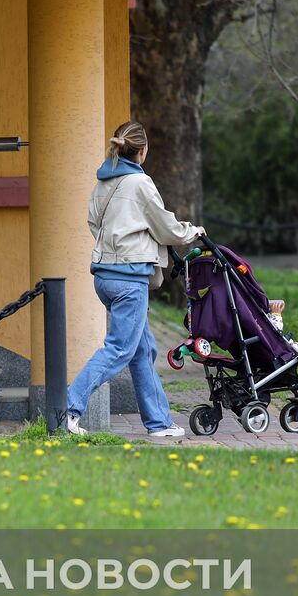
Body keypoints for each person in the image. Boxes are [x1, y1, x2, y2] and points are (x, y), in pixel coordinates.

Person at [65, 120, 203, 438]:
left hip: (105, 277)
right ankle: (68, 408)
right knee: (119, 349)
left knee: (142, 350)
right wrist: (191, 231)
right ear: (142, 151)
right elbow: (164, 226)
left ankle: (158, 423)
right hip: (129, 279)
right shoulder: (141, 184)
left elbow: (93, 223)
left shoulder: (103, 183)